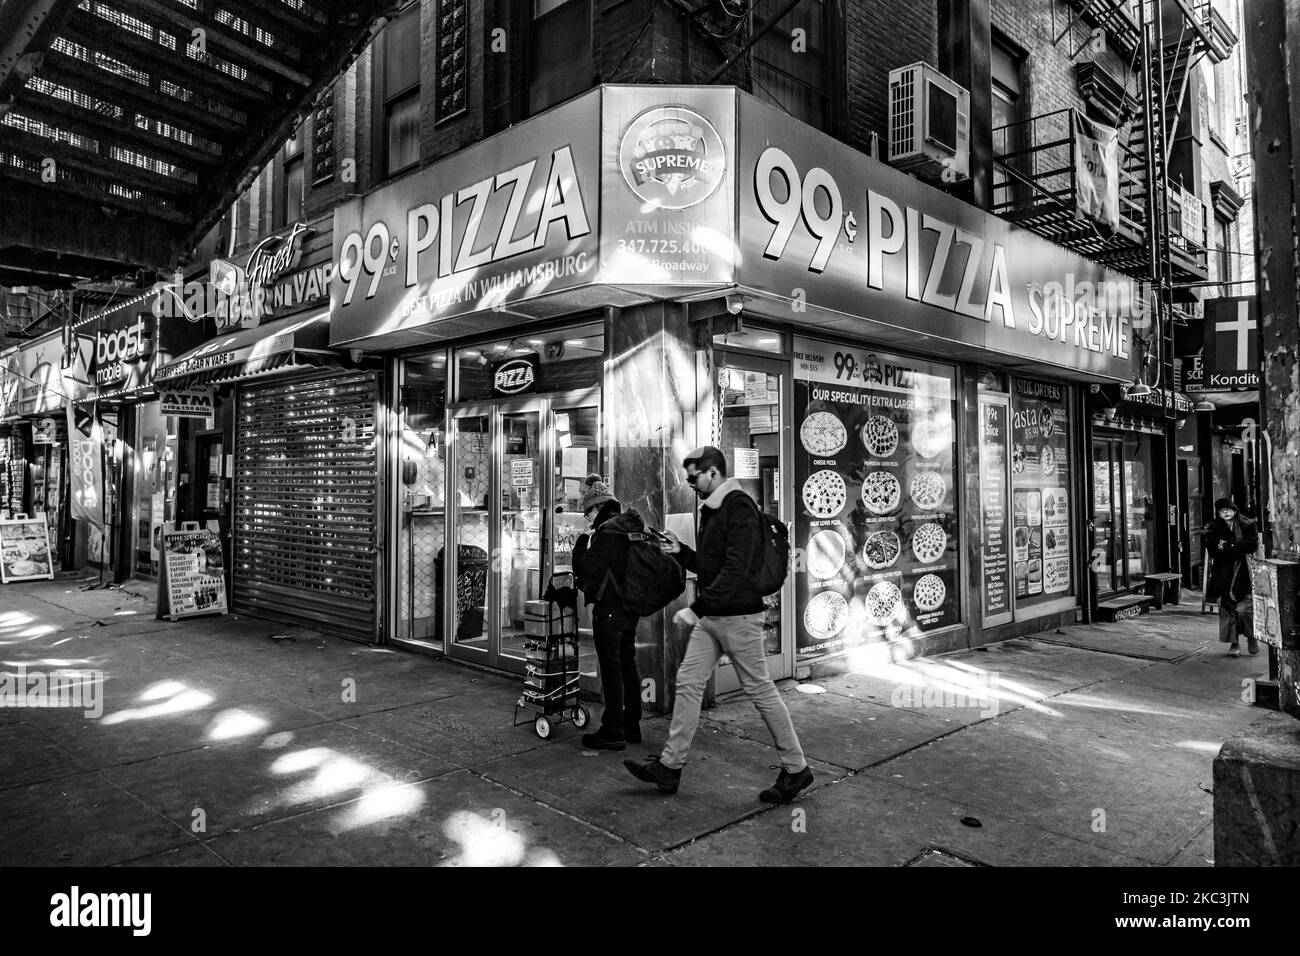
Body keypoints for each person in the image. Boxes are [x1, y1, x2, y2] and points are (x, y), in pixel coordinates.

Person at [623, 446, 813, 803]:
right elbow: (712, 567)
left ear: (713, 473)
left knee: (760, 690)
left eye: (694, 477)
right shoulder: (712, 510)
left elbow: (736, 570)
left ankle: (796, 768)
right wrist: (680, 551)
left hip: (739, 616)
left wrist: (696, 609)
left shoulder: (738, 506)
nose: (690, 483)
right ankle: (670, 766)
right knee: (689, 683)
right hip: (715, 617)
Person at [571, 474, 642, 750]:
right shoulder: (626, 527)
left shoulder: (607, 534)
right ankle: (631, 725)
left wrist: (581, 542)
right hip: (629, 608)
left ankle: (613, 730)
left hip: (610, 609)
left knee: (611, 668)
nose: (588, 518)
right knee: (628, 663)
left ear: (596, 507)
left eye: (588, 512)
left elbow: (585, 568)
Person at [1204, 498, 1259, 656]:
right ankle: (1234, 644)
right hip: (1223, 571)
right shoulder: (1214, 528)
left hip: (1244, 571)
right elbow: (1214, 549)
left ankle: (1251, 636)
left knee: (1244, 608)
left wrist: (1231, 546)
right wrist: (1231, 548)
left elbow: (1252, 545)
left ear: (1235, 510)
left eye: (1228, 509)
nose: (1226, 512)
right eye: (1222, 510)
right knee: (1227, 608)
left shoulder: (1246, 524)